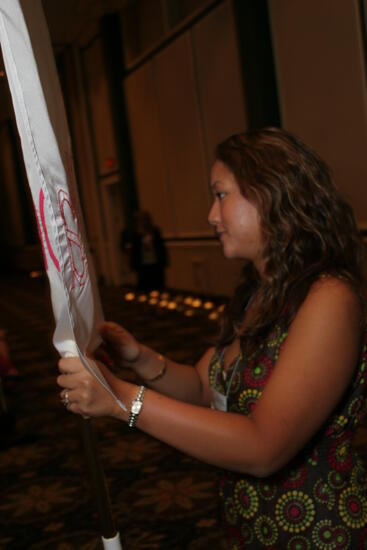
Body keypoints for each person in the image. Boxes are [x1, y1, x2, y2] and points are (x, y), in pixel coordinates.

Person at [57, 128, 367, 548]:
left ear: (270, 193)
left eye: (220, 195)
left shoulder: (329, 298)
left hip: (317, 533)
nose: (211, 216)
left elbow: (263, 447)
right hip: (248, 526)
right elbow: (206, 388)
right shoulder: (257, 292)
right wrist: (140, 358)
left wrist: (123, 400)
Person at [121, 210, 168, 291]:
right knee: (145, 287)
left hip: (155, 263)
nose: (144, 222)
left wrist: (163, 260)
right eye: (142, 220)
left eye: (145, 219)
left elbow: (161, 247)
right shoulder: (136, 234)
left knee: (158, 285)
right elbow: (135, 251)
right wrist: (133, 264)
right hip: (143, 265)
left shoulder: (155, 231)